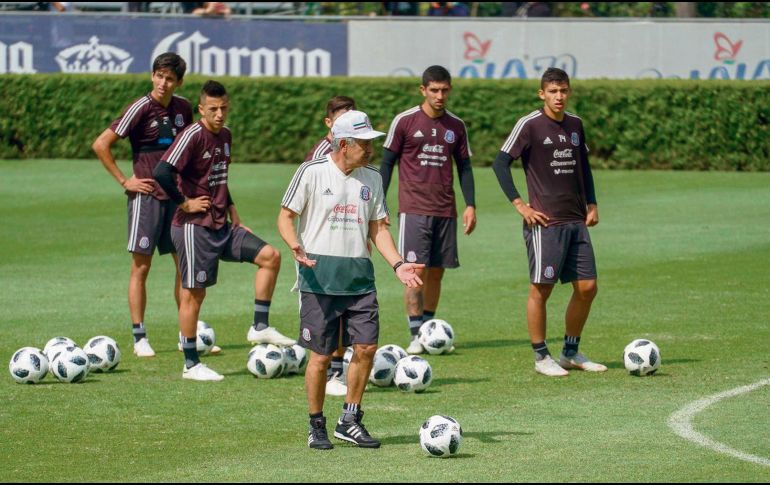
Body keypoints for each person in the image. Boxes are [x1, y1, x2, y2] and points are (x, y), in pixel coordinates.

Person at [278, 110, 424, 449]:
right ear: (343, 144)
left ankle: (350, 419)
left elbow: (379, 228)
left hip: (360, 279)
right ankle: (316, 424)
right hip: (319, 279)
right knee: (320, 355)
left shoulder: (372, 177)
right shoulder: (312, 172)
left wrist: (398, 264)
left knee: (367, 347)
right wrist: (294, 244)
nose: (370, 149)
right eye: (363, 143)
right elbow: (286, 217)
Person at [153, 80, 296, 381]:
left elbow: (216, 177)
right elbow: (162, 171)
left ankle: (259, 326)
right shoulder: (192, 134)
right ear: (201, 109)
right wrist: (185, 203)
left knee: (270, 256)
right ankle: (191, 364)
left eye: (224, 108)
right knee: (194, 294)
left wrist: (232, 209)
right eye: (213, 109)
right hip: (193, 228)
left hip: (223, 225)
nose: (220, 114)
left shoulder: (226, 136)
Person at [92, 52, 213, 357]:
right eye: (158, 75)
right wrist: (125, 181)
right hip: (145, 197)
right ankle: (139, 336)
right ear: (152, 76)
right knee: (141, 266)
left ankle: (185, 334)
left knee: (182, 266)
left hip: (177, 199)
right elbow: (101, 143)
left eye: (169, 78)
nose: (163, 82)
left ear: (179, 82)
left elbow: (190, 149)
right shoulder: (140, 108)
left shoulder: (184, 108)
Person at [492, 67, 606, 377]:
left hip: (576, 220)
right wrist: (520, 205)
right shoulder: (529, 125)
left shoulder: (575, 125)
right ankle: (541, 356)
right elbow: (500, 164)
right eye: (553, 92)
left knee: (587, 287)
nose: (559, 97)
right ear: (542, 94)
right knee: (541, 289)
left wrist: (592, 203)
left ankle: (570, 351)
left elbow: (584, 167)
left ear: (569, 92)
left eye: (563, 91)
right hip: (546, 223)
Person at [380, 65, 476, 354]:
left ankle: (428, 330)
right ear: (423, 90)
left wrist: (470, 204)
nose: (440, 95)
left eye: (445, 90)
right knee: (415, 270)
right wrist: (380, 203)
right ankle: (414, 334)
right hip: (414, 208)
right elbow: (386, 164)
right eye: (434, 90)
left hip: (445, 209)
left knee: (436, 272)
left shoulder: (456, 126)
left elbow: (465, 168)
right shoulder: (405, 121)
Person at [305, 95, 357, 397]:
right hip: (323, 249)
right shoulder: (321, 155)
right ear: (329, 123)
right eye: (341, 119)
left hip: (348, 246)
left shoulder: (354, 155)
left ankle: (337, 370)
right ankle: (330, 373)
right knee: (328, 318)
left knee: (345, 313)